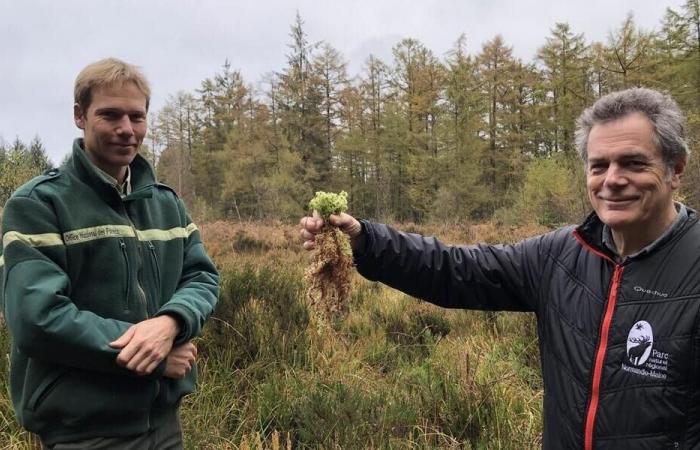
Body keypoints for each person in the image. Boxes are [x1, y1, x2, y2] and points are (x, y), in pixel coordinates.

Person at [299, 87, 698, 449]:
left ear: (675, 169)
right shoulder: (560, 255)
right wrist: (363, 240)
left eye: (632, 163)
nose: (612, 180)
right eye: (599, 166)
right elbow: (453, 270)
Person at [0, 58, 219, 449]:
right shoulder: (38, 205)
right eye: (110, 115)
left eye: (137, 117)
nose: (126, 130)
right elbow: (37, 318)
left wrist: (170, 324)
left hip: (165, 426)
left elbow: (201, 276)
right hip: (85, 432)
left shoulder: (166, 203)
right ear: (79, 116)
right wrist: (150, 356)